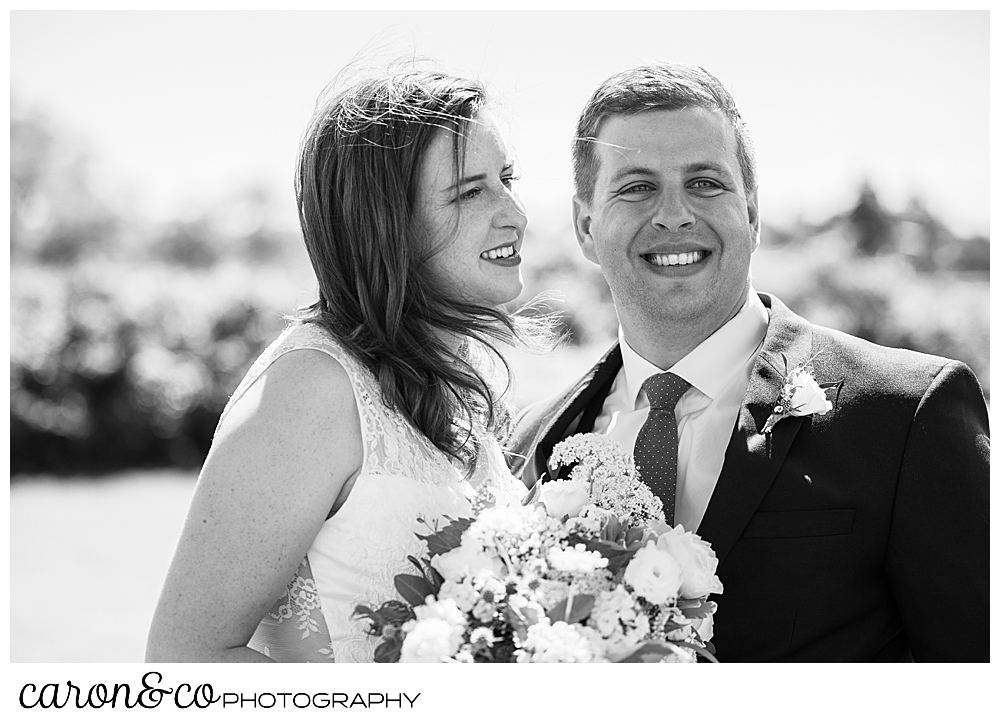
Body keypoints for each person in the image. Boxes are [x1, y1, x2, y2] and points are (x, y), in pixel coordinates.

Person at [507, 61, 989, 662]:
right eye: (636, 186)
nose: (675, 213)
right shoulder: (533, 446)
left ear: (753, 212)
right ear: (584, 226)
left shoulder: (909, 414)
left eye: (705, 182)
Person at [146, 65, 544, 662]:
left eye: (507, 178)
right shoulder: (313, 387)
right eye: (470, 191)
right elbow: (182, 662)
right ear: (384, 225)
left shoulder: (454, 388)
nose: (515, 212)